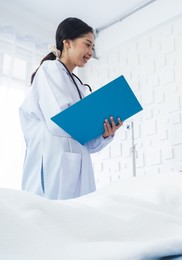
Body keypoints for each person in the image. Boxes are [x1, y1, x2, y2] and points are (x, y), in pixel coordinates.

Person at [19, 17, 123, 200]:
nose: (91, 52)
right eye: (87, 45)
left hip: (76, 166)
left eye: (93, 48)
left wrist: (104, 133)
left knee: (79, 220)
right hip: (54, 163)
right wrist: (89, 121)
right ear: (67, 43)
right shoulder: (49, 70)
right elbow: (60, 121)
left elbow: (87, 143)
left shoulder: (78, 85)